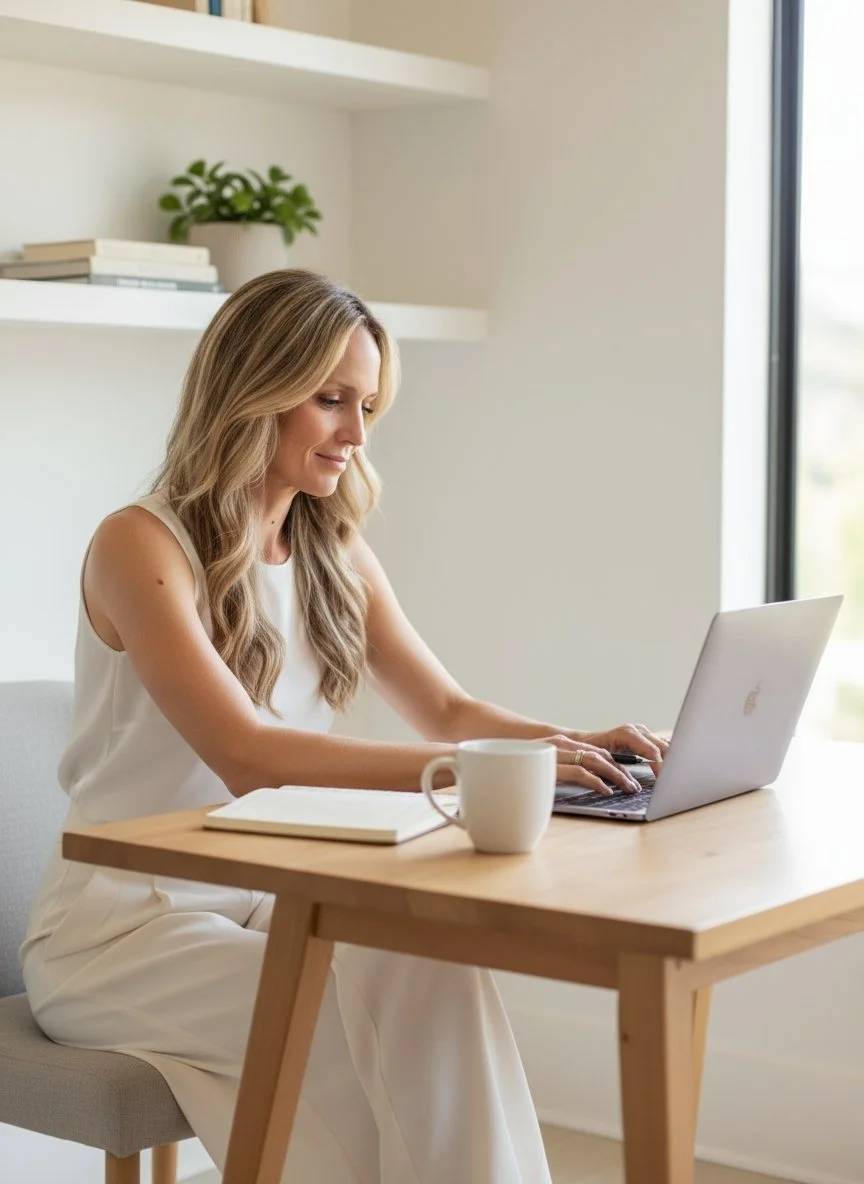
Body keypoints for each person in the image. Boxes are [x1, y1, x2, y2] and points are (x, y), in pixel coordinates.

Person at [21, 269, 668, 1184]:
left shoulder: (331, 551)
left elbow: (445, 708)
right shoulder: (143, 544)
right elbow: (248, 755)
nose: (357, 433)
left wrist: (571, 744)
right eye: (330, 400)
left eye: (366, 404)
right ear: (255, 388)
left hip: (268, 895)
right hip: (125, 930)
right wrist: (480, 770)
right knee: (338, 1039)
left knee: (433, 970)